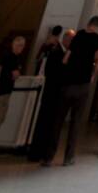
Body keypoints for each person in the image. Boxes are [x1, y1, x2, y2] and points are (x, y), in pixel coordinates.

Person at [42, 16, 98, 166]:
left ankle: (49, 157)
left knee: (58, 121)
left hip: (68, 83)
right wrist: (93, 75)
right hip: (82, 84)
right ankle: (68, 157)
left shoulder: (78, 36)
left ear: (88, 24)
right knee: (76, 123)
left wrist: (68, 71)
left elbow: (65, 59)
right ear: (97, 26)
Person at [28, 29, 71, 162]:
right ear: (65, 39)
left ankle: (42, 151)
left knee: (50, 124)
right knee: (44, 122)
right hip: (51, 92)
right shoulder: (56, 51)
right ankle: (37, 152)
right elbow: (53, 71)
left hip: (56, 93)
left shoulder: (62, 52)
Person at [0, 35, 27, 158]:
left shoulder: (12, 57)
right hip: (3, 92)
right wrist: (15, 73)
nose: (22, 48)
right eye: (20, 45)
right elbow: (15, 74)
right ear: (15, 45)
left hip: (5, 91)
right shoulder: (11, 58)